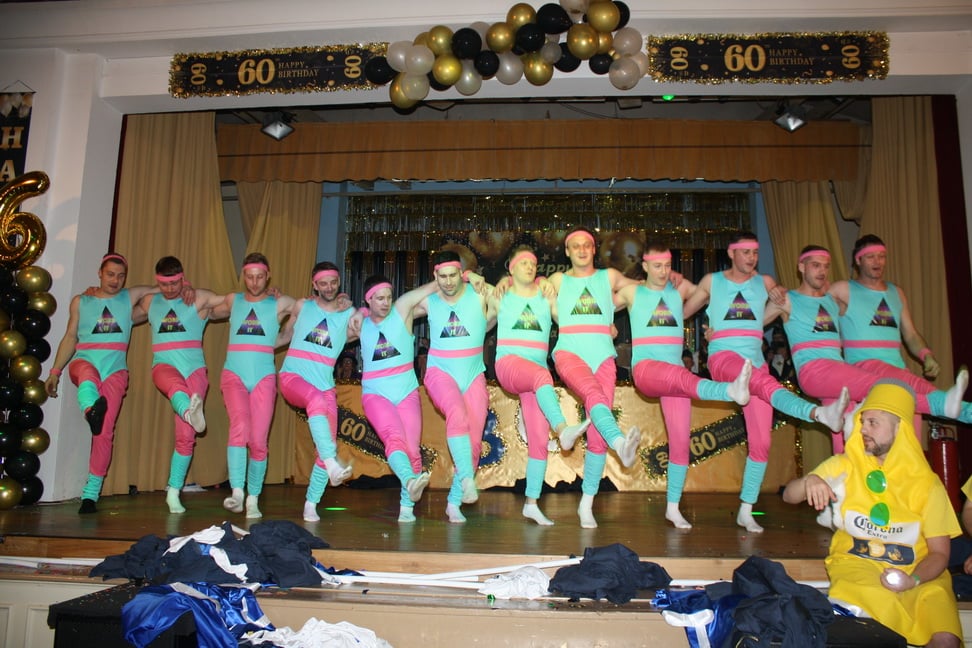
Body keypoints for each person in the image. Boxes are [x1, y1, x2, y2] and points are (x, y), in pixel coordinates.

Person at [682, 231, 849, 534]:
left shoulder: (766, 282)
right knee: (759, 381)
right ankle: (816, 413)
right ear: (731, 253)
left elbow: (775, 310)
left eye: (755, 253)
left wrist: (779, 294)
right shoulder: (712, 282)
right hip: (724, 358)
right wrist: (685, 304)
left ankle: (746, 510)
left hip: (756, 364)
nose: (752, 258)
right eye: (746, 252)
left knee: (762, 441)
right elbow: (682, 313)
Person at [783, 380, 962, 648]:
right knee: (870, 618)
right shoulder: (846, 464)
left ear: (899, 428)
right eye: (862, 421)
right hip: (859, 567)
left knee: (946, 638)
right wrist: (810, 481)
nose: (863, 429)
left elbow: (939, 553)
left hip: (918, 574)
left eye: (873, 423)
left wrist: (912, 580)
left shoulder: (928, 484)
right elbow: (789, 495)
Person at [765, 245, 970, 453]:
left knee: (850, 436)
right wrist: (771, 288)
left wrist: (925, 354)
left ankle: (847, 472)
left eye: (826, 266)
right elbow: (753, 324)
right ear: (801, 267)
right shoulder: (787, 300)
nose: (822, 271)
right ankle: (942, 406)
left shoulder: (831, 300)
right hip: (815, 371)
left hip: (838, 372)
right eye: (815, 265)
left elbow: (868, 316)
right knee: (884, 387)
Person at [614, 241, 752, 529]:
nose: (663, 271)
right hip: (647, 370)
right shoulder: (632, 292)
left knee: (680, 443)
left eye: (667, 265)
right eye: (657, 266)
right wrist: (607, 325)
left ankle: (673, 508)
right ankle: (727, 391)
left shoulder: (679, 289)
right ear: (644, 266)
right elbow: (599, 306)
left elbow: (712, 298)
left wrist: (716, 326)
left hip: (676, 375)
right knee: (681, 377)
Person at [44, 253, 183, 514]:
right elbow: (70, 336)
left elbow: (166, 286)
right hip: (85, 361)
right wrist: (54, 372)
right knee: (87, 376)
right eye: (110, 274)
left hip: (115, 371)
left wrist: (184, 288)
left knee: (104, 432)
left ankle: (90, 495)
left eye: (120, 276)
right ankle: (91, 410)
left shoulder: (129, 297)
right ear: (100, 273)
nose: (115, 280)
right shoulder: (81, 301)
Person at [547, 227, 643, 529]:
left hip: (603, 356)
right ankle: (620, 442)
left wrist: (667, 281)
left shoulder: (609, 277)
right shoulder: (558, 280)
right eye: (575, 246)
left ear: (593, 249)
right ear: (567, 251)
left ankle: (586, 504)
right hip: (569, 353)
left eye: (586, 245)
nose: (581, 250)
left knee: (597, 434)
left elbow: (642, 289)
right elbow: (531, 290)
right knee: (592, 393)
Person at [489, 245, 589, 525]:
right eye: (524, 263)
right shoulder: (501, 294)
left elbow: (567, 320)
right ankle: (563, 429)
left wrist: (602, 327)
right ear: (511, 268)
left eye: (533, 263)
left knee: (539, 440)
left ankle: (531, 503)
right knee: (542, 376)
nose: (530, 267)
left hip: (534, 376)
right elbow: (481, 324)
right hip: (509, 365)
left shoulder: (546, 295)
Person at [134, 256, 227, 514]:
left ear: (182, 277)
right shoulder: (151, 302)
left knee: (186, 437)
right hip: (164, 366)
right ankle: (189, 412)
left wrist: (266, 297)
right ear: (157, 282)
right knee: (174, 386)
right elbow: (122, 302)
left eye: (175, 283)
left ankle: (173, 492)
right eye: (164, 284)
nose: (170, 289)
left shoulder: (198, 298)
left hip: (194, 371)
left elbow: (232, 302)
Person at [408, 250, 495, 524]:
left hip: (473, 375)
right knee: (456, 413)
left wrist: (474, 277)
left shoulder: (478, 294)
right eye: (442, 276)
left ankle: (454, 502)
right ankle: (468, 479)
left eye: (453, 275)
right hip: (440, 373)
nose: (448, 282)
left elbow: (505, 298)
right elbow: (402, 305)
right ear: (435, 275)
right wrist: (431, 286)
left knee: (474, 444)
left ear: (461, 273)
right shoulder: (430, 301)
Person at [215, 253, 296, 519]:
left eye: (260, 277)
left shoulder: (278, 302)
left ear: (268, 275)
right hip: (234, 375)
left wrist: (283, 336)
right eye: (249, 277)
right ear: (243, 275)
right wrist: (187, 291)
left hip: (263, 376)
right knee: (239, 427)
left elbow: (307, 308)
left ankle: (253, 498)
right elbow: (205, 306)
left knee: (259, 440)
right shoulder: (233, 300)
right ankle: (237, 492)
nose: (254, 282)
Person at [277, 261, 358, 523]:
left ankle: (311, 504)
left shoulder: (347, 313)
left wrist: (356, 308)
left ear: (339, 282)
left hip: (324, 385)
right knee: (315, 403)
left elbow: (365, 327)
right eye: (323, 283)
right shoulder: (303, 306)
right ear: (314, 285)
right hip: (293, 378)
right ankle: (333, 464)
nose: (329, 287)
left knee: (327, 445)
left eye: (333, 282)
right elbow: (284, 335)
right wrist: (256, 348)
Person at [357, 274, 435, 522]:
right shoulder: (358, 323)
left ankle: (406, 509)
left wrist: (464, 276)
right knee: (394, 439)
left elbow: (432, 287)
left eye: (388, 297)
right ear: (368, 300)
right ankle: (410, 481)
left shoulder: (402, 311)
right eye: (379, 298)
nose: (385, 303)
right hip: (375, 393)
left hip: (406, 392)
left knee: (412, 450)